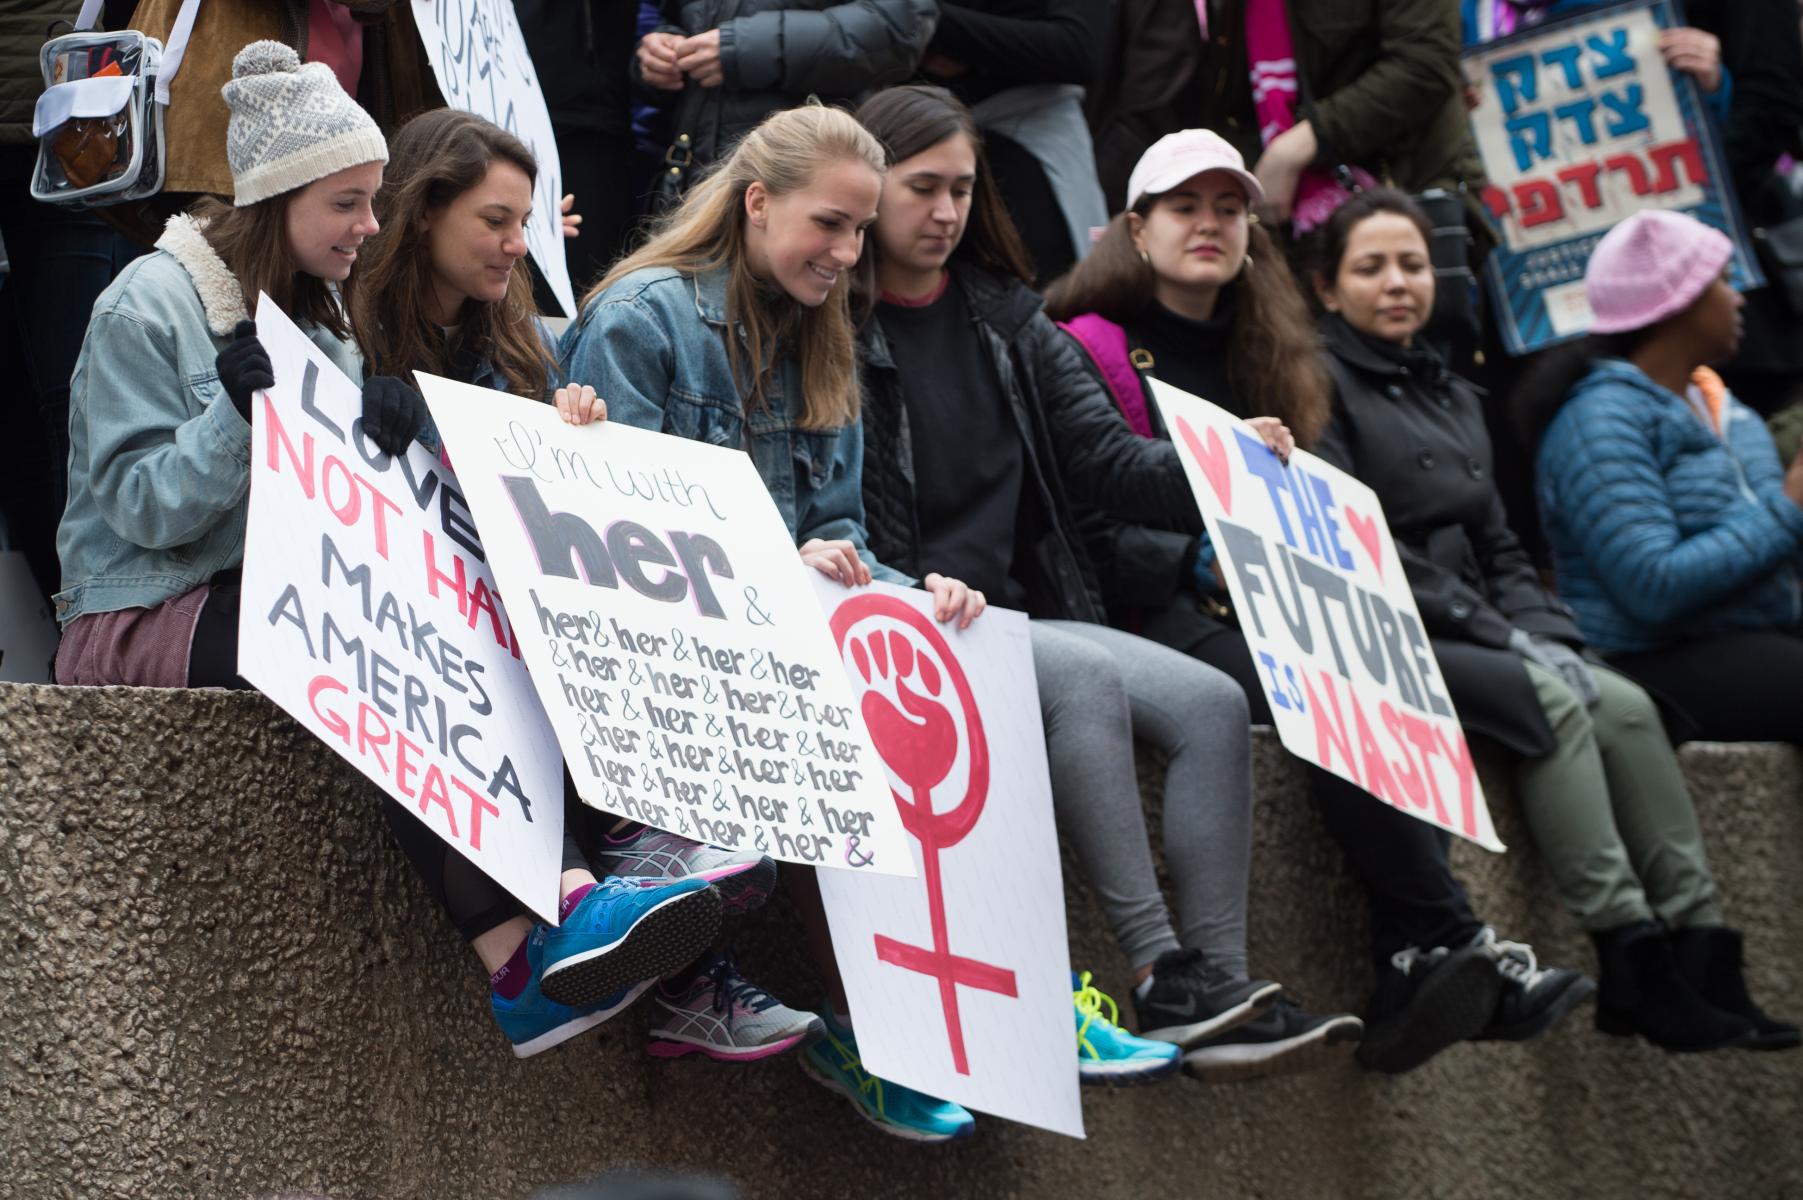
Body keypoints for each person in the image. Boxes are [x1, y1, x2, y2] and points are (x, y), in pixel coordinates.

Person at [54, 44, 721, 1062]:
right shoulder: (146, 303)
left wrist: (397, 442)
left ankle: (539, 945)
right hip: (142, 612)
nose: (373, 226)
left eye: (374, 203)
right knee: (357, 641)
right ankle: (547, 926)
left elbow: (347, 515)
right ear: (277, 199)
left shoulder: (325, 319)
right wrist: (240, 417)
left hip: (262, 591)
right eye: (349, 204)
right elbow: (140, 510)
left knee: (448, 623)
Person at [1046, 132, 1595, 1073]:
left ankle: (1423, 951)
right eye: (1186, 208)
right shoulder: (1087, 347)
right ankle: (1438, 943)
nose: (1210, 226)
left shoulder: (1274, 348)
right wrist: (1199, 567)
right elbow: (1088, 523)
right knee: (1323, 680)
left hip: (1278, 606)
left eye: (1229, 209)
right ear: (1136, 231)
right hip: (1157, 613)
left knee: (1355, 666)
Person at [853, 85, 1364, 1085]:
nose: (947, 212)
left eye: (963, 188)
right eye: (923, 189)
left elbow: (1112, 468)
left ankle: (1219, 987)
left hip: (1021, 613)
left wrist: (1229, 475)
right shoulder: (829, 317)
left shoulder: (1008, 318)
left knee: (1213, 703)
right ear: (866, 187)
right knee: (1088, 680)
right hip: (908, 616)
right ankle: (1157, 966)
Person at [559, 103, 989, 1141]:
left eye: (858, 230)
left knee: (939, 695)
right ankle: (730, 983)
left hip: (775, 651)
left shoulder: (822, 337)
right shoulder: (643, 318)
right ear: (757, 205)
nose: (848, 253)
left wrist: (910, 592)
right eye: (830, 225)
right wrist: (775, 564)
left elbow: (836, 535)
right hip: (665, 665)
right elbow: (617, 536)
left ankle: (919, 1023)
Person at [1310, 190, 1795, 1053]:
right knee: (1557, 704)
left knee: (1627, 707)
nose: (1397, 285)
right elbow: (1357, 543)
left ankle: (1700, 948)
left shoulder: (1452, 390)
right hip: (1400, 621)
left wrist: (1552, 635)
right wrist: (1509, 638)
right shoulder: (1313, 384)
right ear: (1325, 289)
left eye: (1413, 265)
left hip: (1489, 622)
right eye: (1371, 268)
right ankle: (1627, 950)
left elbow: (1498, 544)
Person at [1519, 208, 1803, 754]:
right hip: (1655, 658)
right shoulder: (1597, 421)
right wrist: (1790, 509)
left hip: (1751, 629)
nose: (1740, 296)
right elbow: (1652, 585)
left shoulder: (1721, 404)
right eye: (1723, 280)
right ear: (1682, 302)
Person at [630, 0, 936, 208]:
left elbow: (900, 26)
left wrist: (746, 48)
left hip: (807, 175)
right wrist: (660, 52)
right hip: (697, 179)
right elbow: (677, 17)